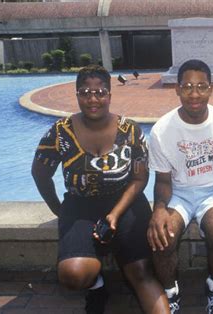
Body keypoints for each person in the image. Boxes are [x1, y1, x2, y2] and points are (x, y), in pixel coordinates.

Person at [31, 64, 169, 314]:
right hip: (80, 205)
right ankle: (97, 286)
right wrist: (60, 210)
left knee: (141, 272)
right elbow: (40, 174)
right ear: (77, 95)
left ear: (109, 95)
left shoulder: (130, 131)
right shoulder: (60, 132)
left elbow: (140, 179)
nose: (92, 99)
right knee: (73, 275)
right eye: (85, 92)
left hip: (126, 203)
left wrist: (115, 214)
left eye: (100, 92)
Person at [147, 59, 213, 314]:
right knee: (163, 237)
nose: (194, 94)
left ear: (211, 88)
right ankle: (171, 294)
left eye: (201, 86)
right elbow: (162, 180)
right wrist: (159, 209)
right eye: (187, 87)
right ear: (177, 89)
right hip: (179, 192)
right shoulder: (162, 130)